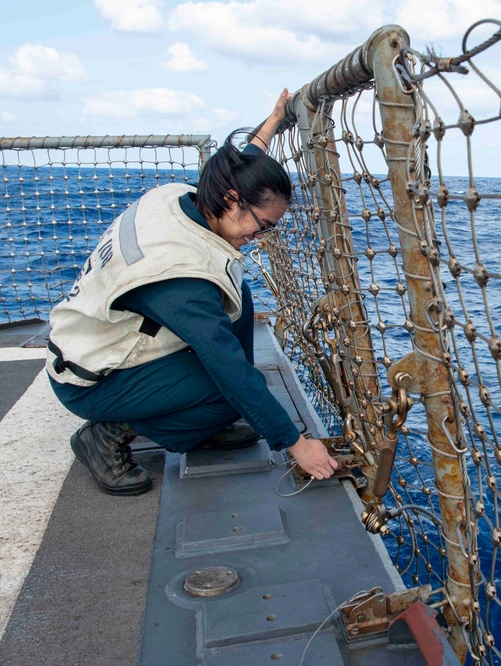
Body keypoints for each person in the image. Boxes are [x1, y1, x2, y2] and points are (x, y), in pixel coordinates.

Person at [46, 88, 338, 496]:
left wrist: (272, 122)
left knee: (238, 299)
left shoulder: (185, 198)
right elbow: (229, 367)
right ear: (232, 200)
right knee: (233, 388)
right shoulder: (179, 272)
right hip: (93, 381)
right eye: (264, 225)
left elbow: (241, 163)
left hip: (99, 344)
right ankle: (106, 434)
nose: (260, 236)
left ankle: (206, 421)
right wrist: (294, 443)